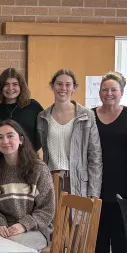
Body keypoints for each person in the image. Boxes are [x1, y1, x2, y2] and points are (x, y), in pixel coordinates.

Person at [0, 120, 55, 253]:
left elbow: (47, 209)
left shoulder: (38, 169)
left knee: (13, 250)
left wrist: (24, 224)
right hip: (0, 228)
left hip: (33, 229)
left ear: (21, 140)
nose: (5, 141)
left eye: (10, 136)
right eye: (0, 137)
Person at [93, 72, 127, 253]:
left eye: (113, 90)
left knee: (121, 244)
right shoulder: (89, 115)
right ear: (99, 92)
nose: (109, 93)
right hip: (97, 190)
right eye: (105, 90)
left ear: (122, 92)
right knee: (99, 244)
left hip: (124, 192)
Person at [36, 69, 102, 198]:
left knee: (77, 218)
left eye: (68, 85)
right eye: (59, 84)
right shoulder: (42, 117)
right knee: (52, 218)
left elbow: (95, 156)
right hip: (51, 180)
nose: (63, 88)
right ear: (52, 86)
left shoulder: (87, 115)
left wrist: (93, 192)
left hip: (77, 180)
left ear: (74, 88)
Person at [0, 68, 43, 150]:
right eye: (6, 84)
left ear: (21, 86)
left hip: (30, 158)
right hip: (2, 159)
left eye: (15, 84)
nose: (10, 88)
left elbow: (43, 132)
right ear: (1, 87)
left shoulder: (33, 106)